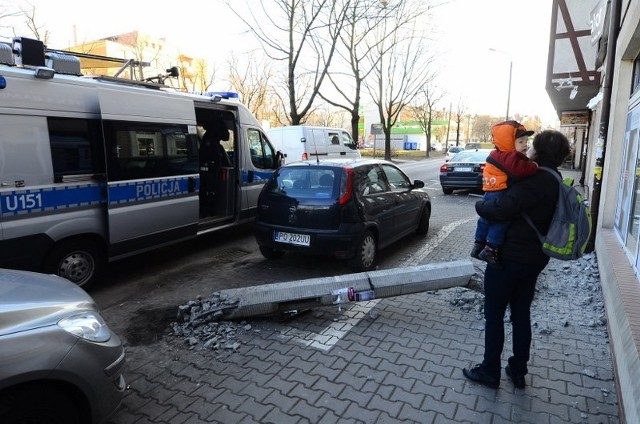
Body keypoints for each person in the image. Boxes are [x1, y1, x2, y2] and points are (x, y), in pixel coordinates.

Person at [463, 130, 571, 389]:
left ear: (540, 151)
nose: (528, 148)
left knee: (494, 313)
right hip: (535, 259)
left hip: (508, 258)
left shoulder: (536, 180)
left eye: (532, 145)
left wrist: (479, 206)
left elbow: (502, 208)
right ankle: (518, 369)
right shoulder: (556, 179)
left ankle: (490, 371)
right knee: (521, 314)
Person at [471, 120, 538, 266]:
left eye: (527, 141)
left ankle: (478, 243)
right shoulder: (508, 156)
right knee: (500, 220)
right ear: (508, 142)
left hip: (490, 190)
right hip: (500, 191)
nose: (525, 145)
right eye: (521, 142)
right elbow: (520, 171)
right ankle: (491, 248)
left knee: (485, 219)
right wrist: (534, 166)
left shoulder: (496, 154)